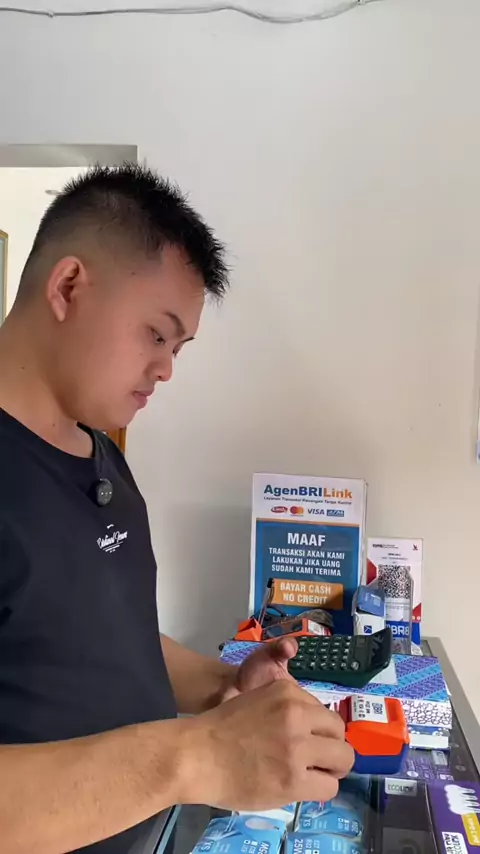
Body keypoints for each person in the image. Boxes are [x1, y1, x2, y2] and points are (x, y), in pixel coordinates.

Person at [0, 164, 354, 854]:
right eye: (156, 335)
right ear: (68, 287)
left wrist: (227, 685)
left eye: (179, 348)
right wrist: (196, 758)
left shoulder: (102, 458)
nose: (166, 368)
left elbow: (108, 637)